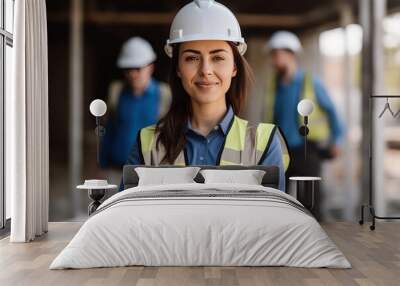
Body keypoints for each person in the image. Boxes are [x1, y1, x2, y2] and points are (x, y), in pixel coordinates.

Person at [120, 0, 290, 192]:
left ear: (234, 67)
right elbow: (127, 219)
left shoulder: (265, 142)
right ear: (177, 68)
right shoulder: (147, 143)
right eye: (192, 58)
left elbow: (273, 219)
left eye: (218, 58)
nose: (206, 70)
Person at [264, 31, 344, 218]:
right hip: (281, 151)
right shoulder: (275, 85)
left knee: (311, 203)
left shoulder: (311, 82)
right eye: (272, 55)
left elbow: (333, 112)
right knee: (278, 200)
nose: (274, 60)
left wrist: (337, 140)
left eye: (277, 54)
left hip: (307, 151)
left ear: (290, 54)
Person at [99, 37, 171, 178]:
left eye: (137, 68)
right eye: (128, 69)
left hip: (150, 174)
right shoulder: (117, 93)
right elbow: (109, 131)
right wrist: (102, 165)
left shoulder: (164, 95)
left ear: (150, 67)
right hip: (116, 170)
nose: (132, 74)